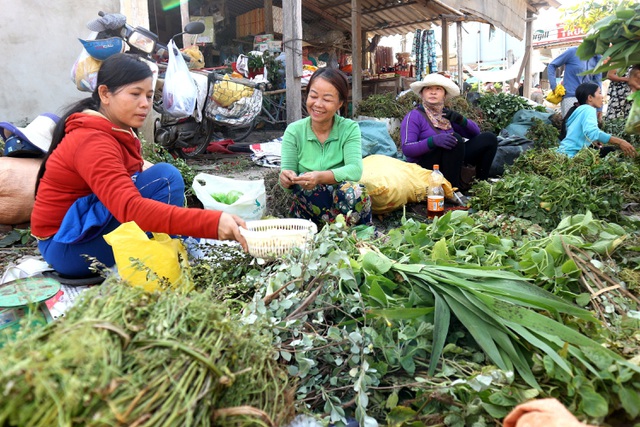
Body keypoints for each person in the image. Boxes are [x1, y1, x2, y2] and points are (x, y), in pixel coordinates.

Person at [31, 53, 247, 278]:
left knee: (162, 175)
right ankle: (166, 253)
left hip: (80, 228)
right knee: (165, 178)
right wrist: (210, 223)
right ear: (105, 94)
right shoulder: (92, 141)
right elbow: (130, 209)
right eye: (135, 94)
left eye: (149, 95)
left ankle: (168, 245)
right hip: (66, 249)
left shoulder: (114, 129)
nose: (145, 104)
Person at [279, 68, 371, 227]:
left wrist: (320, 177)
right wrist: (286, 179)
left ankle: (346, 233)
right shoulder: (294, 131)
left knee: (353, 190)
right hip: (310, 208)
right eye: (313, 96)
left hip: (346, 208)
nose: (318, 104)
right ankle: (329, 232)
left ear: (340, 103)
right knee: (306, 189)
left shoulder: (349, 129)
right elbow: (287, 180)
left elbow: (355, 170)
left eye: (327, 99)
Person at [400, 72, 498, 189]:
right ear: (422, 93)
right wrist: (433, 141)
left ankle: (481, 185)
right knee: (455, 139)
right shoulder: (414, 116)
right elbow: (407, 149)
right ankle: (452, 190)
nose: (433, 92)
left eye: (438, 89)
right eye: (428, 89)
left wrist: (460, 119)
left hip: (451, 163)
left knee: (489, 138)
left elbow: (476, 134)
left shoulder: (446, 115)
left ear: (444, 95)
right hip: (424, 167)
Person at [559, 82, 636, 158]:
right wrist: (620, 142)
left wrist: (592, 141)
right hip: (571, 156)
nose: (602, 96)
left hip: (562, 153)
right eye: (599, 93)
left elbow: (578, 133)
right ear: (590, 98)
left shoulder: (579, 110)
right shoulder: (588, 109)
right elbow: (593, 132)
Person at [547, 46, 602, 117]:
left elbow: (598, 83)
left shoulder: (597, 59)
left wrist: (599, 108)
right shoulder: (573, 52)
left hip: (588, 100)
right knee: (570, 125)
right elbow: (552, 65)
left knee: (587, 126)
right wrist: (554, 86)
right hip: (571, 97)